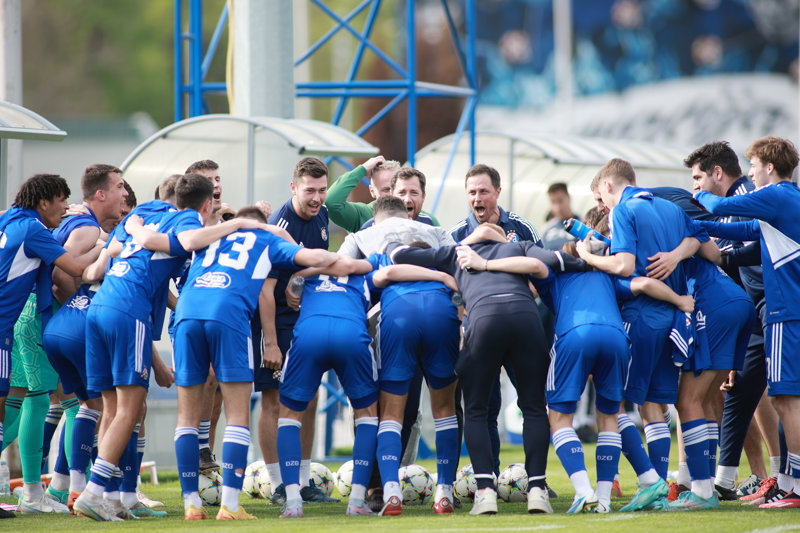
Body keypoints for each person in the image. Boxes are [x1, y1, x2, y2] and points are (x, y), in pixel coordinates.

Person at [73, 174, 272, 521]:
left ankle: (111, 497)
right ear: (205, 204)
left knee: (111, 408)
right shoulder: (186, 221)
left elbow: (104, 261)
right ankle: (92, 492)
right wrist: (239, 222)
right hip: (129, 310)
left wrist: (138, 233)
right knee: (130, 409)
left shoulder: (144, 212)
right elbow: (190, 240)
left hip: (99, 305)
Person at [456, 228, 694, 514]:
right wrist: (680, 300)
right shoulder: (605, 276)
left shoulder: (554, 276)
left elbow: (534, 268)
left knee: (558, 418)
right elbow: (643, 284)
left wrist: (486, 262)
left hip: (575, 335)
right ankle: (608, 498)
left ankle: (583, 491)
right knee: (609, 416)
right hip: (616, 338)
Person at [388, 223, 588, 515]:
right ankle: (536, 490)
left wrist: (445, 268)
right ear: (501, 237)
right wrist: (588, 259)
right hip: (525, 320)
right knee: (534, 408)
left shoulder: (455, 252)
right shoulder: (518, 246)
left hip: (484, 321)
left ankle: (485, 492)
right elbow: (559, 260)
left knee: (476, 410)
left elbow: (397, 255)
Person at [578, 158, 709, 511]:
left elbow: (624, 267)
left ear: (608, 185)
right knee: (652, 405)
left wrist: (587, 256)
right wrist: (675, 256)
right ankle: (662, 488)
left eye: (600, 198)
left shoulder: (623, 210)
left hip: (641, 317)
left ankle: (649, 479)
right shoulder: (668, 207)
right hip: (672, 320)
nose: (601, 208)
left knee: (612, 403)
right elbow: (700, 239)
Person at [693, 136, 800, 509]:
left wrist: (689, 203)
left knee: (787, 400)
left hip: (786, 311)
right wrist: (698, 228)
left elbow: (721, 205)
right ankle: (786, 483)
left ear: (769, 166)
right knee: (783, 398)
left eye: (753, 165)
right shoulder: (785, 202)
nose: (751, 173)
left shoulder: (778, 195)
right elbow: (745, 233)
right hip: (786, 311)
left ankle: (794, 486)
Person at [0, 174, 103, 517]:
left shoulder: (12, 219)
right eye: (60, 200)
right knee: (67, 402)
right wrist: (109, 245)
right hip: (22, 321)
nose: (65, 207)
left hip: (16, 324)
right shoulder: (34, 228)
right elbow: (74, 268)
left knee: (22, 401)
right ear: (43, 202)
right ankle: (53, 489)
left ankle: (47, 489)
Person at [40, 164, 131, 511]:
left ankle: (66, 486)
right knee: (108, 407)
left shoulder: (84, 223)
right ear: (100, 194)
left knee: (82, 406)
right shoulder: (88, 226)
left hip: (55, 327)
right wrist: (80, 305)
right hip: (65, 323)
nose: (124, 195)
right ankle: (107, 493)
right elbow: (63, 276)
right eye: (119, 188)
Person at [449, 163, 544, 482]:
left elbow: (542, 274)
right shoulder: (456, 235)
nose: (477, 198)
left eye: (484, 191)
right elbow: (451, 286)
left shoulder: (521, 228)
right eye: (472, 192)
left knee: (533, 403)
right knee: (484, 407)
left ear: (498, 192)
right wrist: (465, 317)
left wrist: (519, 295)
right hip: (480, 331)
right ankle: (487, 478)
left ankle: (537, 480)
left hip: (520, 329)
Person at [261, 157, 337, 504]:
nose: (317, 198)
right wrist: (271, 343)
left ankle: (303, 481)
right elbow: (264, 290)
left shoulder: (322, 215)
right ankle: (278, 483)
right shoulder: (279, 224)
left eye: (322, 190)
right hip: (274, 319)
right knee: (275, 400)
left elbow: (316, 263)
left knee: (311, 396)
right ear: (294, 187)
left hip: (305, 319)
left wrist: (300, 277)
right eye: (309, 191)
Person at [326, 156, 439, 232]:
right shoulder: (362, 215)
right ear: (372, 191)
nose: (392, 195)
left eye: (397, 189)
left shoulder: (427, 220)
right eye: (386, 190)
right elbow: (331, 202)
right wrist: (362, 169)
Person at [359, 167, 438, 229]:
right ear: (392, 195)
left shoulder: (430, 224)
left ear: (423, 196)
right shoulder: (371, 227)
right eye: (402, 193)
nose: (407, 199)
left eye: (414, 193)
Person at [540, 182, 579, 251]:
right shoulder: (546, 230)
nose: (558, 207)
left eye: (560, 201)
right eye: (553, 202)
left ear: (569, 198)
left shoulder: (583, 225)